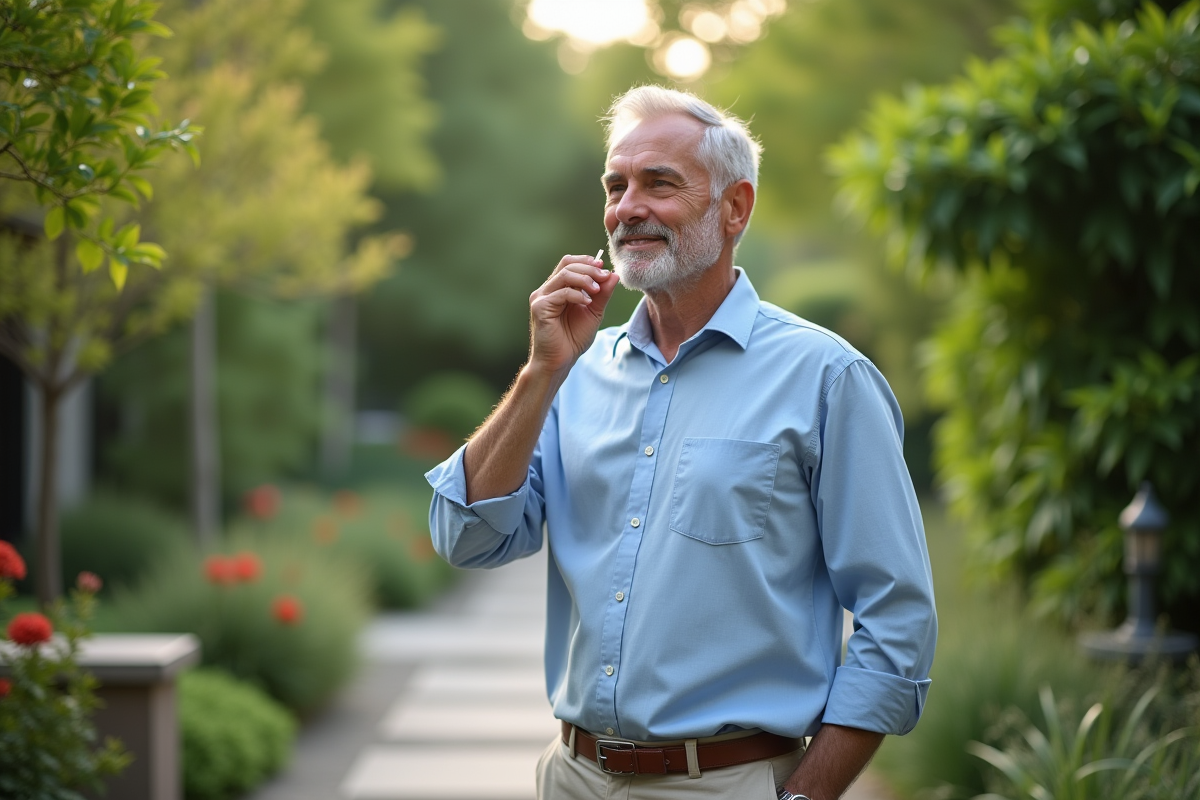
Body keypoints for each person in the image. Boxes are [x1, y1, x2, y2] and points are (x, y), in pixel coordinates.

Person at [426, 85, 937, 800]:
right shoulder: (573, 374)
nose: (627, 207)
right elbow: (467, 537)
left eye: (658, 183)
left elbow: (898, 616)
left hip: (732, 784)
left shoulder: (827, 378)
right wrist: (541, 372)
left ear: (735, 209)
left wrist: (807, 794)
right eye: (616, 185)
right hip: (570, 777)